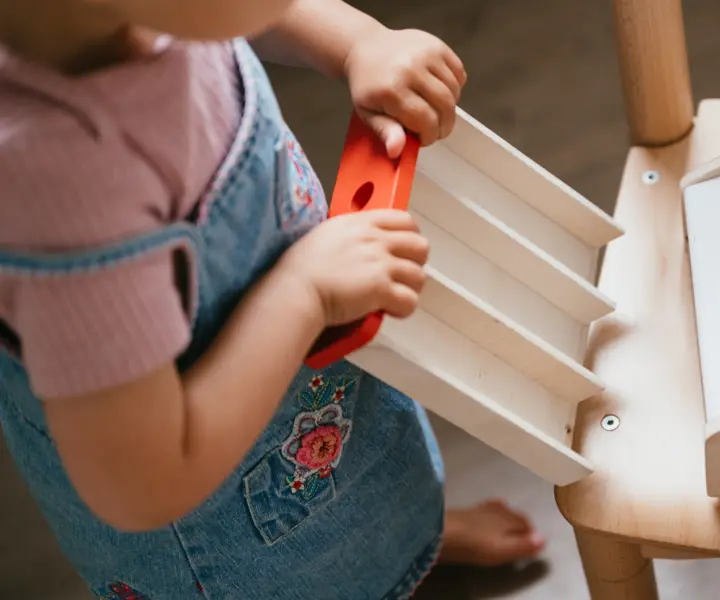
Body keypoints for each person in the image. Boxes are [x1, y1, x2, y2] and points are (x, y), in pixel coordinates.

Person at [0, 0, 544, 598]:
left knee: (368, 500)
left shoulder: (125, 17)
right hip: (231, 536)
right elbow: (144, 482)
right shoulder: (64, 194)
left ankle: (409, 543)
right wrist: (305, 292)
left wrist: (356, 42)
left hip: (309, 408)